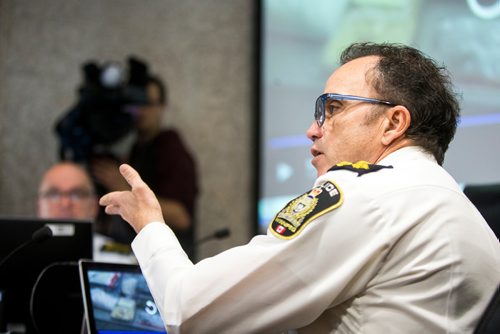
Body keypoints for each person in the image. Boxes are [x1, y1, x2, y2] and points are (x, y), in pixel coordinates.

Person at [100, 42, 500, 333]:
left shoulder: (365, 196)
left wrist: (150, 225)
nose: (313, 130)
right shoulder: (458, 208)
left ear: (393, 123)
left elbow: (188, 310)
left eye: (334, 109)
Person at [91, 74, 199, 260]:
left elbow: (182, 218)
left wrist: (125, 190)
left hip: (170, 263)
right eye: (134, 102)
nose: (140, 110)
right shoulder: (137, 148)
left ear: (162, 106)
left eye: (147, 103)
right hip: (140, 258)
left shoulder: (171, 148)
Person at [37, 161, 137, 264]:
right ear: (39, 206)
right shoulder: (21, 257)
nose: (65, 204)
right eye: (54, 195)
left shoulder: (121, 259)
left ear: (94, 206)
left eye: (76, 195)